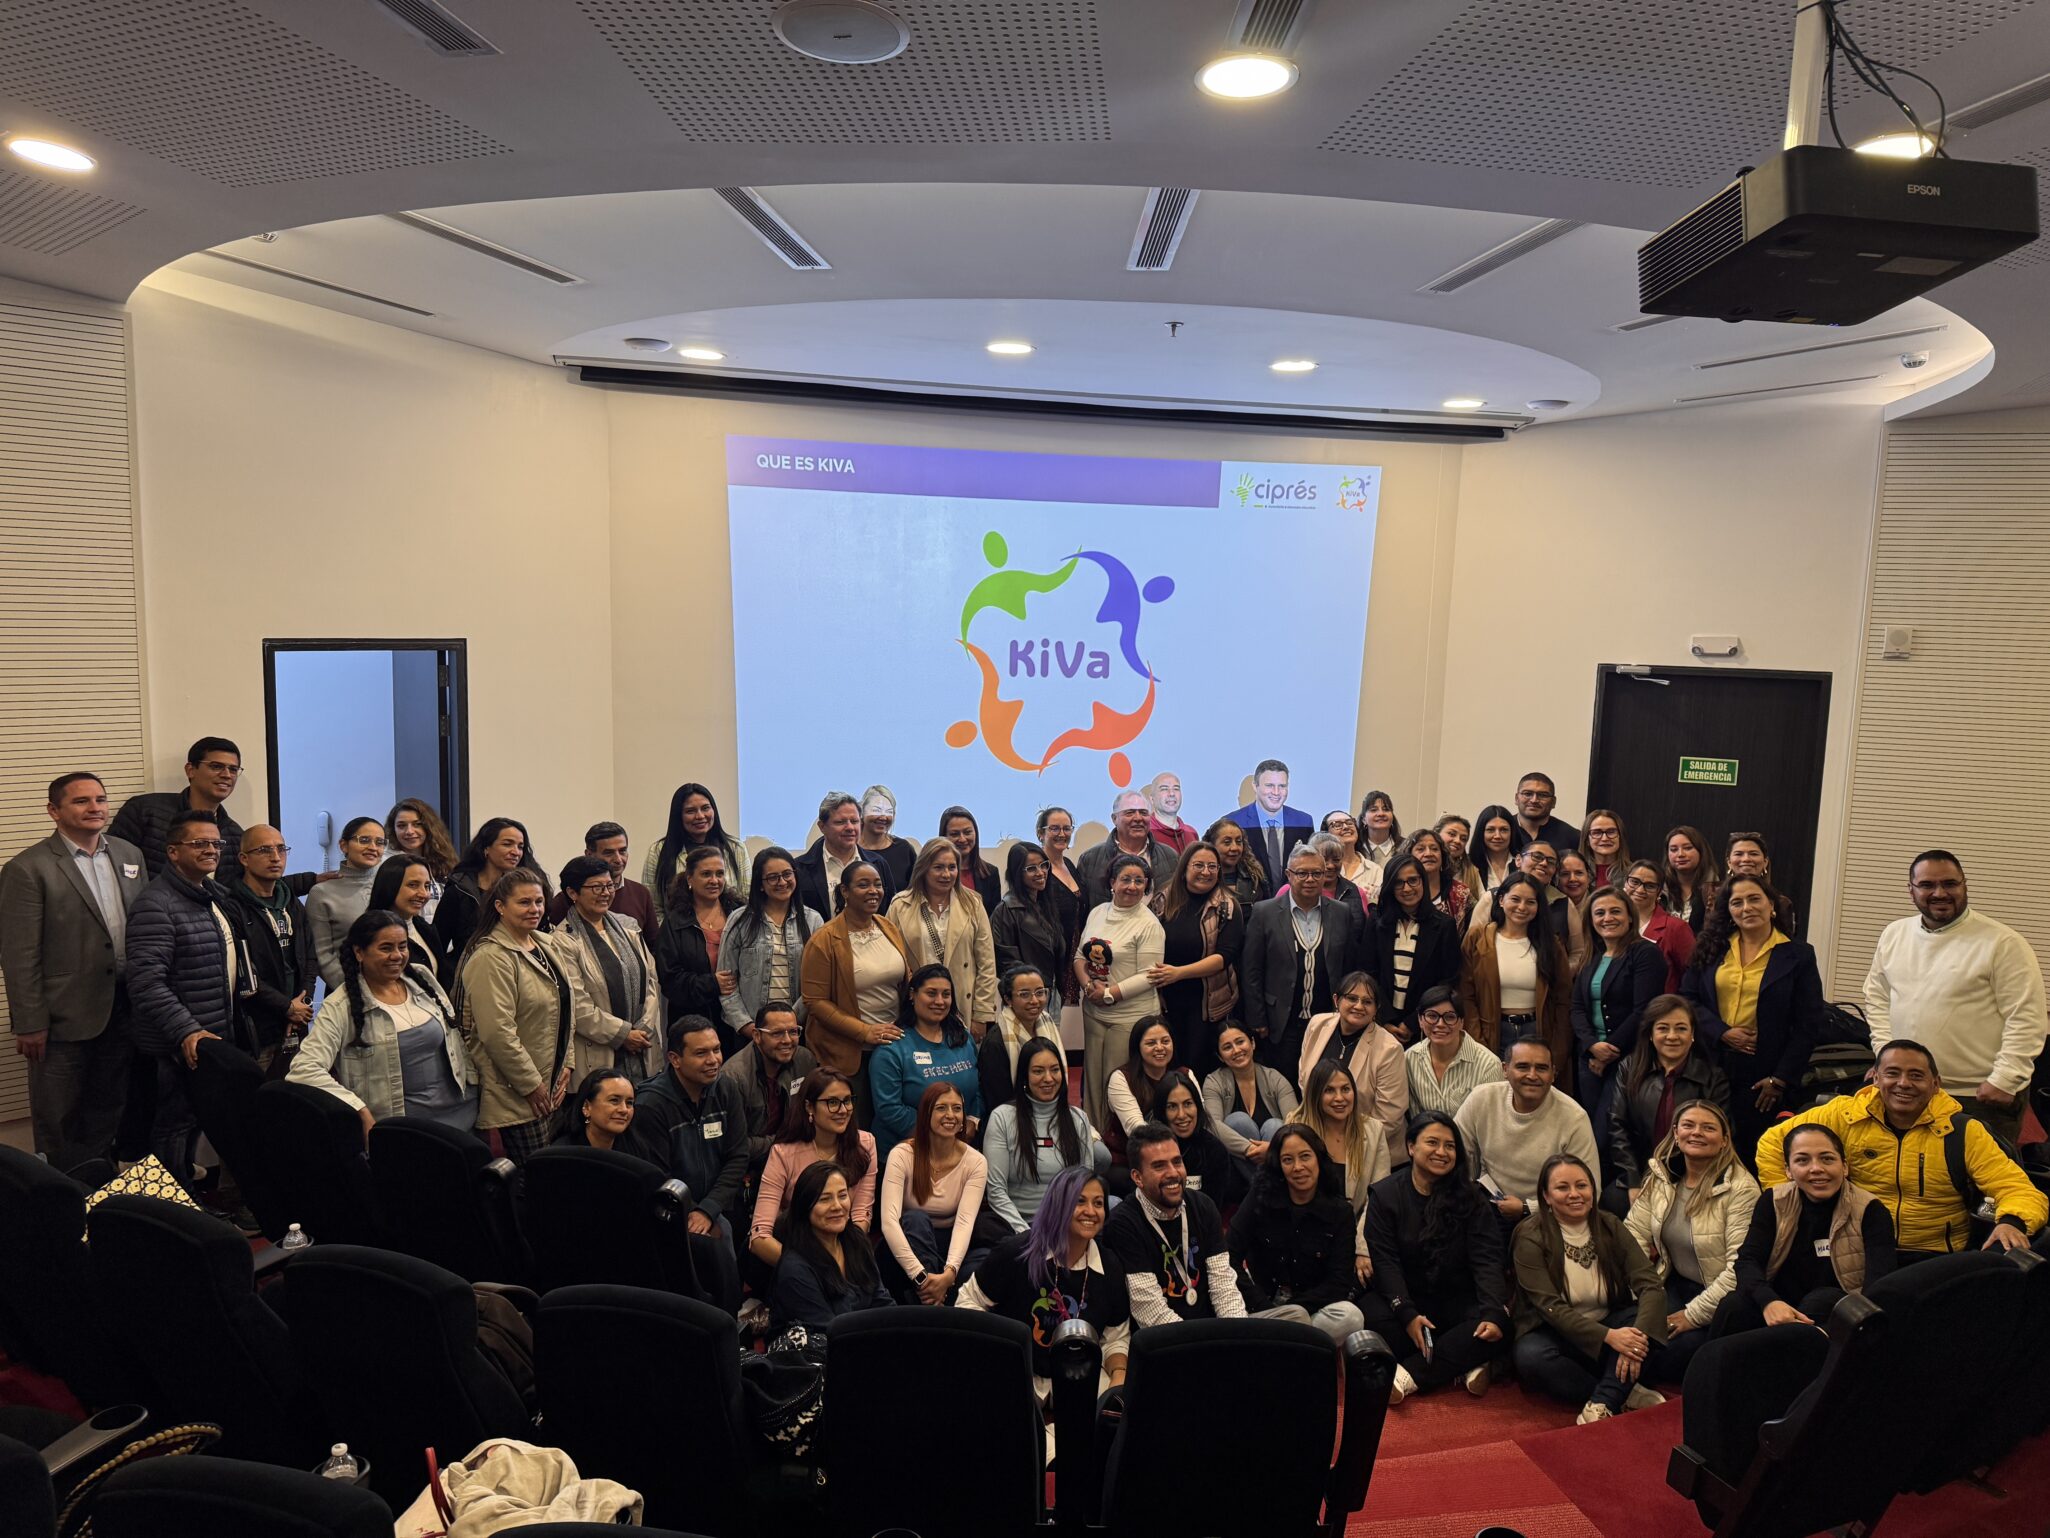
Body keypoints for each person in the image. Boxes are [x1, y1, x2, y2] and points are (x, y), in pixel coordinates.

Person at [1755, 1040, 2046, 1257]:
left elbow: (2019, 1190)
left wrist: (2012, 1223)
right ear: (1875, 1078)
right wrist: (1792, 1207)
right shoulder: (1843, 1114)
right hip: (1855, 1251)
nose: (1903, 1084)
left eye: (1916, 1076)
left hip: (1935, 1257)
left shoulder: (1963, 1130)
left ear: (1936, 1084)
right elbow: (1771, 1143)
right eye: (1892, 1073)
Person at [1, 772, 146, 1173]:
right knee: (58, 1119)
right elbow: (18, 953)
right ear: (54, 811)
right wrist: (30, 1023)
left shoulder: (129, 854)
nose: (95, 807)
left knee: (109, 1109)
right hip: (61, 1017)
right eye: (81, 801)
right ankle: (61, 1198)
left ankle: (99, 1188)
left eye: (100, 799)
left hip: (122, 1007)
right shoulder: (27, 868)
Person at [1864, 850, 2047, 1146]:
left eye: (1950, 883)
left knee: (1982, 1177)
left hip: (1979, 1096)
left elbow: (2027, 1018)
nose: (1940, 893)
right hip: (1908, 1091)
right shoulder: (1894, 934)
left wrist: (2005, 1079)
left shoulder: (2003, 943)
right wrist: (1886, 1056)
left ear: (1964, 885)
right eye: (1927, 885)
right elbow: (1877, 999)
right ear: (1911, 890)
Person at [126, 809, 257, 1195]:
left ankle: (191, 1200)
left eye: (216, 843)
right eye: (199, 843)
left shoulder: (209, 895)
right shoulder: (156, 904)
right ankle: (173, 1210)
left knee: (193, 1124)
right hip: (178, 1044)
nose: (211, 850)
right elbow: (146, 983)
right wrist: (187, 1030)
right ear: (172, 851)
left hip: (211, 1038)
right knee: (173, 1129)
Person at [1359, 1113, 1510, 1402]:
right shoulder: (1385, 1194)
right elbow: (1385, 1262)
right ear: (1411, 1147)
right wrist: (1408, 1315)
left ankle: (1409, 1373)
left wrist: (1492, 1311)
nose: (1442, 1152)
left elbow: (1487, 1259)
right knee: (1372, 1316)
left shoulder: (1472, 1196)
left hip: (1455, 1298)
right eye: (1432, 1142)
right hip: (1406, 1297)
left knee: (1497, 1324)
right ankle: (1462, 1360)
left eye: (1450, 1146)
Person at [289, 908, 475, 1136]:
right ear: (359, 952)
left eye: (402, 946)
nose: (397, 956)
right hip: (407, 1129)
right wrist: (358, 1108)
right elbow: (303, 1069)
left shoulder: (421, 977)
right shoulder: (341, 1006)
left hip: (463, 1111)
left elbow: (456, 1041)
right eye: (386, 948)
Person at [1511, 1154, 1668, 1423]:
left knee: (1649, 1321)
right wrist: (1609, 1337)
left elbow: (1651, 1286)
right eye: (1562, 1187)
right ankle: (1619, 1391)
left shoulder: (1610, 1224)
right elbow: (1549, 1307)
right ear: (1546, 1196)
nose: (1575, 1194)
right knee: (1531, 1357)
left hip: (1610, 1319)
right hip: (1554, 1331)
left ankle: (1603, 1401)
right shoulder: (1529, 1235)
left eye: (1582, 1185)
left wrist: (1637, 1337)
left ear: (1593, 1190)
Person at [1679, 872, 1825, 1156]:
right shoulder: (1712, 947)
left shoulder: (1799, 955)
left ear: (1771, 905)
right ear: (1729, 911)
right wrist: (1723, 1032)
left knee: (1752, 1152)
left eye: (1754, 899)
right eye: (1737, 902)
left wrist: (1780, 1079)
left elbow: (1808, 1024)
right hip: (1711, 1063)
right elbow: (1687, 998)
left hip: (1765, 1076)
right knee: (1704, 1148)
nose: (1747, 908)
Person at [456, 867, 595, 1165]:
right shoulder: (490, 957)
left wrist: (568, 1063)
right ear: (500, 906)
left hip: (553, 1082)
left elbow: (566, 1009)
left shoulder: (545, 943)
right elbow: (497, 1034)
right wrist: (532, 1085)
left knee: (554, 1170)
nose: (534, 909)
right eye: (524, 902)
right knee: (534, 1177)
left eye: (539, 901)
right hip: (518, 1093)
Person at [958, 1166, 1130, 1405]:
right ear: (1058, 1205)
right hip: (1018, 1372)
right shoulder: (1015, 1252)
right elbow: (968, 1302)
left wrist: (1118, 1380)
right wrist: (997, 1356)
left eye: (1098, 1203)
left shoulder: (1110, 1266)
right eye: (1079, 1201)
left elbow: (1115, 1338)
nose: (1091, 1211)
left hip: (1080, 1374)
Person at [1105, 1121, 1297, 1328]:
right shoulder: (1123, 1223)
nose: (1173, 1173)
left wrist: (1235, 1334)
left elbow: (1224, 1287)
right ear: (1137, 1177)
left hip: (1217, 1330)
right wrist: (1204, 1344)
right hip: (1167, 1339)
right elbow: (1150, 1312)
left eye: (1177, 1162)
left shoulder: (1203, 1205)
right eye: (1159, 1166)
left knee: (1296, 1317)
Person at [1622, 1101, 1758, 1384]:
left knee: (1666, 1353)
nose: (1696, 1133)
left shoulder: (1742, 1189)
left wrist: (1691, 1316)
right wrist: (1640, 1292)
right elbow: (1632, 1236)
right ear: (1675, 1133)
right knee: (1626, 1330)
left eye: (1708, 1128)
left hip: (1720, 1298)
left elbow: (1739, 1270)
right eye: (1688, 1125)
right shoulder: (1661, 1175)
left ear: (1724, 1140)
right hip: (1672, 1282)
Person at [1719, 1123, 1896, 1336]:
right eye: (1802, 1160)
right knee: (1734, 1306)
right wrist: (1769, 1302)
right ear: (1788, 1170)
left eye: (1827, 1159)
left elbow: (1877, 1286)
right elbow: (1747, 1261)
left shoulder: (1871, 1210)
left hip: (1837, 1315)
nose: (1816, 1168)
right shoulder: (1773, 1201)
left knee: (1820, 1300)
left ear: (1845, 1167)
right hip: (1781, 1305)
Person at [1228, 1125, 1369, 1342]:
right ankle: (1297, 1343)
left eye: (1305, 1157)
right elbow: (1228, 1256)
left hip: (1312, 1309)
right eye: (1288, 1160)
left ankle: (1276, 1341)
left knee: (1351, 1317)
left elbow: (1338, 1283)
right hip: (1263, 1307)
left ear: (1318, 1159)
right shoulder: (1260, 1197)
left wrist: (1295, 1311)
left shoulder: (1340, 1211)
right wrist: (1262, 1305)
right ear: (1278, 1165)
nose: (1298, 1167)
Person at [799, 861, 909, 1126]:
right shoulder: (824, 939)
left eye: (878, 884)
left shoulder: (888, 927)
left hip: (893, 1047)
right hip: (848, 1054)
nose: (874, 891)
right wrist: (864, 1032)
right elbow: (814, 1002)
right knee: (853, 1126)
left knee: (891, 1124)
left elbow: (904, 979)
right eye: (863, 885)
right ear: (845, 891)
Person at [619, 1013, 748, 1233]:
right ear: (675, 1059)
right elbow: (657, 1176)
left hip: (719, 1204)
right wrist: (694, 1212)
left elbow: (738, 1155)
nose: (713, 1060)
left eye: (716, 1049)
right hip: (670, 1211)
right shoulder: (651, 1105)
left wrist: (709, 1208)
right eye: (701, 1053)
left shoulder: (726, 1088)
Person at [1454, 1040, 1600, 1232]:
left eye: (1541, 1068)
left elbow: (1591, 1191)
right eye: (1523, 1067)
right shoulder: (1481, 1098)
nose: (1532, 1075)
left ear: (1553, 1074)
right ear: (1505, 1070)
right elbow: (1456, 1154)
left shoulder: (1574, 1117)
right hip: (1489, 1205)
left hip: (1550, 1214)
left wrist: (1527, 1208)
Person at [1242, 842, 1362, 1075]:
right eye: (1302, 873)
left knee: (1321, 1081)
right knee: (1285, 1082)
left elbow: (1349, 968)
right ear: (1289, 875)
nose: (1310, 879)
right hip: (1280, 1021)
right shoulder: (1264, 912)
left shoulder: (1341, 912)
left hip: (1326, 1018)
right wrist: (1257, 1018)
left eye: (1316, 873)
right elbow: (1251, 970)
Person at [1605, 997, 1730, 1203]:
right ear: (1650, 1034)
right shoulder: (1629, 1068)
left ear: (1692, 1034)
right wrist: (1633, 1181)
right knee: (1612, 1202)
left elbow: (1718, 1137)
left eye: (1681, 1028)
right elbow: (1618, 1126)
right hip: (1640, 1171)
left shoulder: (1713, 1077)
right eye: (1663, 1028)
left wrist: (1690, 1182)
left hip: (1692, 1175)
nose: (1672, 1036)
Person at [982, 1037, 1110, 1235]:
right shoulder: (1002, 1118)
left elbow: (1085, 1185)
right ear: (1024, 1076)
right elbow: (996, 1192)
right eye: (1038, 1071)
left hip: (1067, 1223)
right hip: (1018, 1226)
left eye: (1055, 1070)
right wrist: (1027, 1235)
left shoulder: (1078, 1119)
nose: (1048, 1078)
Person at [750, 1068, 877, 1267]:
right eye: (832, 1102)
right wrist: (808, 1270)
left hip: (842, 1246)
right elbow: (759, 1237)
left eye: (847, 1100)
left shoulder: (865, 1144)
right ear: (809, 1107)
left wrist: (842, 1263)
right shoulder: (783, 1153)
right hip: (795, 1248)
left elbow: (861, 1217)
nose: (843, 1110)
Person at [1075, 852, 1166, 1131]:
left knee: (1117, 1085)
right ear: (1112, 882)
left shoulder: (1149, 924)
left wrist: (1109, 994)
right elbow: (1080, 956)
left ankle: (1115, 1141)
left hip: (1129, 1018)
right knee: (1092, 1083)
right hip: (1093, 1012)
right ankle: (1092, 1139)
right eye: (1126, 879)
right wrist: (1088, 986)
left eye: (1140, 881)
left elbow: (1150, 975)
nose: (1132, 886)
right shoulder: (1098, 912)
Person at [555, 853, 661, 1084]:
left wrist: (643, 1027)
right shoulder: (563, 940)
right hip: (598, 1052)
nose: (605, 893)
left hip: (642, 1043)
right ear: (573, 893)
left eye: (609, 885)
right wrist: (623, 1034)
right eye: (596, 887)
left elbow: (651, 980)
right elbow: (578, 1005)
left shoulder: (628, 929)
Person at [878, 1082, 989, 1303]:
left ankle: (933, 1299)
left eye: (957, 1108)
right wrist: (921, 1276)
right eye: (941, 1108)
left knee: (986, 1258)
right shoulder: (902, 1154)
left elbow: (964, 1222)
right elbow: (889, 1222)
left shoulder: (976, 1161)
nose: (950, 1115)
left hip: (950, 1246)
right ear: (925, 1114)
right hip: (907, 1246)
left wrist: (949, 1274)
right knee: (915, 1219)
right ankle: (932, 1301)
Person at [1459, 874, 1571, 1085]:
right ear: (1501, 900)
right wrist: (1478, 1041)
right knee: (1494, 1094)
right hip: (1492, 1032)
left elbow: (1563, 1000)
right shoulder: (1477, 938)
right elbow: (1466, 995)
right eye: (1515, 899)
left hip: (1538, 1031)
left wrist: (1557, 1051)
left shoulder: (1551, 944)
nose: (1522, 907)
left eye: (1530, 902)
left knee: (1534, 1094)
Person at [219, 825, 314, 1069]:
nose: (275, 857)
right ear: (244, 859)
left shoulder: (291, 902)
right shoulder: (231, 906)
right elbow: (242, 973)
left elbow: (309, 958)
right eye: (264, 850)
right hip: (258, 1025)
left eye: (281, 849)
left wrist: (302, 1004)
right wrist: (286, 1007)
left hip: (297, 1020)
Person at [886, 837, 999, 1043]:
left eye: (952, 867)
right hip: (915, 1006)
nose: (946, 874)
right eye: (938, 867)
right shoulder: (899, 905)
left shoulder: (973, 904)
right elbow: (890, 960)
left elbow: (987, 963)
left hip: (962, 1005)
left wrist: (982, 1014)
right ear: (923, 869)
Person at [1146, 840, 1244, 1074]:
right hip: (1166, 1001)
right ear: (1184, 868)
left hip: (1208, 1005)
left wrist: (1179, 973)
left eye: (1212, 866)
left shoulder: (1228, 905)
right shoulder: (1162, 900)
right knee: (1167, 1069)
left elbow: (1225, 957)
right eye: (1199, 865)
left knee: (1199, 1069)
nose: (1206, 872)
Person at [1570, 885, 1667, 1120]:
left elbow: (1644, 1010)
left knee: (1609, 1130)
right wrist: (1592, 1045)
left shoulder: (1645, 953)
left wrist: (1608, 1050)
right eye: (1599, 913)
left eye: (1615, 911)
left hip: (1628, 1058)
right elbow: (1577, 1007)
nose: (1607, 918)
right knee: (1590, 1128)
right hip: (1589, 1058)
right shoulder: (1592, 957)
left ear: (1630, 917)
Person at [870, 964, 985, 1161]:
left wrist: (972, 1120)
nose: (939, 1001)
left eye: (946, 994)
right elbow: (889, 1109)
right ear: (912, 995)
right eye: (931, 993)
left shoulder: (963, 1037)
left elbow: (979, 1088)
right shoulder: (892, 1047)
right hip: (906, 1156)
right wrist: (943, 1133)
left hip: (959, 1150)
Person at [1297, 972, 1408, 1165]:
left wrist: (1337, 1146)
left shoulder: (1389, 1049)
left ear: (1376, 1009)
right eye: (1352, 998)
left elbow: (1389, 1118)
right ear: (1336, 1000)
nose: (1359, 1006)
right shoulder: (1317, 1025)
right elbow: (1305, 1082)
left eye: (1367, 1002)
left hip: (1366, 1149)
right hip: (1316, 1140)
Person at [769, 1161, 892, 1334]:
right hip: (824, 1346)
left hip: (864, 1340)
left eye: (842, 1196)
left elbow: (882, 1303)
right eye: (825, 1199)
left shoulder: (856, 1240)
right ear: (805, 1207)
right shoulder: (795, 1268)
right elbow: (828, 1332)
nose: (837, 1206)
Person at [717, 845, 824, 1045]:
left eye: (787, 874)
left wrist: (789, 1025)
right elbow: (726, 984)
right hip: (750, 1032)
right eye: (773, 877)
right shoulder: (739, 920)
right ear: (760, 884)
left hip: (796, 1031)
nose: (782, 882)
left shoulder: (813, 920)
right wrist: (747, 1026)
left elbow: (817, 982)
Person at [109, 737, 253, 883]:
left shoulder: (236, 836)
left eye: (233, 769)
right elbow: (111, 865)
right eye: (216, 766)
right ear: (190, 770)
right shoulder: (144, 810)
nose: (226, 775)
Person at [1291, 1059, 1390, 1270]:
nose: (1339, 1098)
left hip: (1354, 1235)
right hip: (1305, 1235)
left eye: (1346, 1089)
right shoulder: (1297, 1126)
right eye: (1329, 1090)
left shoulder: (1374, 1130)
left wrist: (1362, 1249)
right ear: (1316, 1094)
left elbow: (1378, 1199)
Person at [438, 818, 546, 987]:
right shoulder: (459, 890)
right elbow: (439, 943)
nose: (516, 852)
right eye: (507, 844)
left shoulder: (530, 887)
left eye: (520, 846)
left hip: (521, 975)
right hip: (469, 977)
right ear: (486, 848)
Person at [1365, 854, 1460, 1042]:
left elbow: (1447, 981)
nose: (1406, 888)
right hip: (1380, 1022)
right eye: (1398, 883)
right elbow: (1368, 973)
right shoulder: (1376, 921)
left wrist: (1412, 1023)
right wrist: (1385, 1019)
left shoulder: (1444, 925)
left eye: (1413, 880)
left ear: (1423, 881)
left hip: (1426, 1024)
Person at [656, 844, 742, 1044]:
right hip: (692, 1026)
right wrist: (712, 984)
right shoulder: (674, 923)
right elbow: (669, 980)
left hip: (738, 1025)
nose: (714, 880)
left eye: (720, 873)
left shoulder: (740, 914)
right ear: (689, 879)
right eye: (706, 874)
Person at [721, 1000, 817, 1177]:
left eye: (793, 1032)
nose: (787, 1040)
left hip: (796, 1156)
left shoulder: (805, 1060)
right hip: (748, 1167)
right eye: (777, 1033)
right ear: (757, 1036)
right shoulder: (733, 1077)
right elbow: (733, 1144)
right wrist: (785, 1142)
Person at [646, 782, 750, 922]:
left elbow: (747, 900)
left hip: (730, 931)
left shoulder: (735, 848)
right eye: (690, 811)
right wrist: (669, 933)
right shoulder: (658, 851)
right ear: (678, 816)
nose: (700, 816)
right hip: (676, 933)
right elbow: (653, 907)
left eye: (705, 808)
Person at [992, 843, 1067, 1034]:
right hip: (1025, 999)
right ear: (1017, 873)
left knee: (1049, 1048)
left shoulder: (1046, 904)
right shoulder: (1005, 910)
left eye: (1044, 865)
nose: (1040, 872)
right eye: (1031, 868)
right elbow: (1005, 963)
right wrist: (1033, 992)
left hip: (1050, 994)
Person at [304, 816, 384, 992]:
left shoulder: (389, 886)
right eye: (364, 840)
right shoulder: (322, 893)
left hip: (392, 989)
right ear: (343, 845)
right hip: (346, 990)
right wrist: (356, 990)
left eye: (379, 842)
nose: (373, 847)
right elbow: (322, 955)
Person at [977, 963, 1063, 1122]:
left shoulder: (1048, 1025)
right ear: (1008, 999)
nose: (1034, 1000)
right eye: (1024, 994)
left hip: (1050, 1114)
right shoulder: (996, 1042)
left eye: (1040, 992)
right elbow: (998, 1099)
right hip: (1012, 1120)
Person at [1404, 985, 1505, 1119]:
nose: (1440, 1024)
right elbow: (1415, 1118)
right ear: (1420, 1020)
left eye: (1450, 1017)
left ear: (1462, 1022)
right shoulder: (1409, 1058)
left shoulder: (1489, 1064)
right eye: (1432, 1016)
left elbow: (1490, 1121)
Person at [1204, 1019, 1298, 1161]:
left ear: (1252, 1043)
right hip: (1237, 1161)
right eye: (1227, 1047)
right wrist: (1252, 1149)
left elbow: (1295, 1124)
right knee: (1238, 1121)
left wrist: (1273, 1149)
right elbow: (1212, 1125)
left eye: (1240, 1042)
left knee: (1275, 1125)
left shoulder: (1275, 1078)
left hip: (1277, 1157)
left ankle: (1266, 1174)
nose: (1236, 1050)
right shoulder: (1214, 1082)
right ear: (1220, 1056)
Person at [1076, 791, 1179, 912]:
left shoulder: (1170, 856)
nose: (1138, 818)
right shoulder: (1090, 859)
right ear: (1114, 819)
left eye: (1143, 813)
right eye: (1130, 813)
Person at [546, 821, 657, 933]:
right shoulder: (567, 899)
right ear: (589, 855)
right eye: (609, 853)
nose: (618, 859)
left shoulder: (640, 893)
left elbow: (653, 942)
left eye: (622, 851)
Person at [1156, 1068, 1244, 1206]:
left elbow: (1212, 1209)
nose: (1181, 1115)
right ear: (1162, 1112)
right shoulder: (1151, 1150)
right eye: (1172, 1106)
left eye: (1188, 1104)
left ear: (1197, 1106)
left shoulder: (1214, 1150)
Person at [793, 791, 883, 921]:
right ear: (822, 826)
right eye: (840, 822)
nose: (850, 827)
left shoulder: (877, 863)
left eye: (854, 821)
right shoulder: (800, 869)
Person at [1228, 758, 1313, 888]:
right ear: (1255, 786)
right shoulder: (1233, 823)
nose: (1276, 792)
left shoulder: (1303, 821)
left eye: (1282, 786)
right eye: (1269, 785)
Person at [1105, 1017, 1178, 1167]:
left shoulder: (1184, 1074)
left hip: (1178, 1154)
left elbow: (1199, 1120)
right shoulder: (1121, 1078)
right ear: (1137, 1047)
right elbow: (1137, 1129)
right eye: (1151, 1043)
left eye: (1165, 1041)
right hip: (1129, 1159)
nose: (1160, 1048)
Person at [368, 852, 449, 979]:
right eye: (413, 885)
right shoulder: (371, 934)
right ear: (390, 886)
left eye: (427, 886)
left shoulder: (426, 930)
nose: (424, 894)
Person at [1035, 807, 1085, 999]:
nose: (1062, 834)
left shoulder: (1069, 865)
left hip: (1074, 958)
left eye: (1067, 828)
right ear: (1041, 833)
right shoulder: (1037, 871)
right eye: (1054, 828)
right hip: (1049, 963)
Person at [1622, 858, 1695, 991]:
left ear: (1659, 892)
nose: (1640, 890)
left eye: (1650, 886)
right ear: (1625, 883)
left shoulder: (1676, 928)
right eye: (1634, 882)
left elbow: (1694, 975)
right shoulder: (1613, 923)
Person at [384, 798, 456, 920]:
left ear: (429, 827)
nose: (409, 831)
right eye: (401, 826)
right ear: (393, 829)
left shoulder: (444, 860)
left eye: (417, 824)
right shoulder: (386, 864)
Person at [1725, 832, 1799, 934]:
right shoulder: (1712, 899)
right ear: (1729, 863)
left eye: (1753, 854)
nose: (1746, 859)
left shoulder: (1782, 903)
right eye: (1739, 854)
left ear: (1765, 862)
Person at [855, 784, 919, 894]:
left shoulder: (904, 849)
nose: (883, 817)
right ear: (862, 812)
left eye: (889, 812)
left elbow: (917, 891)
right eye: (876, 810)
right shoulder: (850, 849)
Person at [1405, 827, 1470, 930]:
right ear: (1408, 855)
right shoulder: (1399, 889)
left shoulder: (1461, 893)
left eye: (1434, 849)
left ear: (1443, 856)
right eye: (1420, 849)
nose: (1429, 854)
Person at [938, 805, 1003, 908]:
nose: (962, 839)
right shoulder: (932, 873)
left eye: (967, 832)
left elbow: (993, 915)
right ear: (944, 837)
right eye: (955, 834)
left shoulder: (990, 873)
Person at [1660, 826, 1719, 937]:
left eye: (1687, 848)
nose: (1680, 854)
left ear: (1701, 852)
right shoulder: (1659, 888)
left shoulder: (1716, 890)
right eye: (1673, 849)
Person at [559, 1068, 636, 1151]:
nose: (624, 1110)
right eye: (614, 1100)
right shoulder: (563, 1153)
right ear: (587, 1107)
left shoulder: (636, 1148)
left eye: (629, 1103)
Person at [1205, 816, 1271, 908]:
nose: (1234, 848)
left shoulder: (1256, 877)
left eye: (1239, 841)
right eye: (1227, 842)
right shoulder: (1201, 877)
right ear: (1212, 845)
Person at [1320, 810, 1381, 908]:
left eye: (1349, 822)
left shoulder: (1375, 870)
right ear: (1326, 834)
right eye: (1337, 825)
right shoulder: (1321, 867)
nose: (1345, 827)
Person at [1507, 772, 1577, 856]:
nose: (1534, 800)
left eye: (1543, 795)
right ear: (1516, 798)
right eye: (1527, 794)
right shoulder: (1502, 831)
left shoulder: (1573, 837)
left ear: (1553, 802)